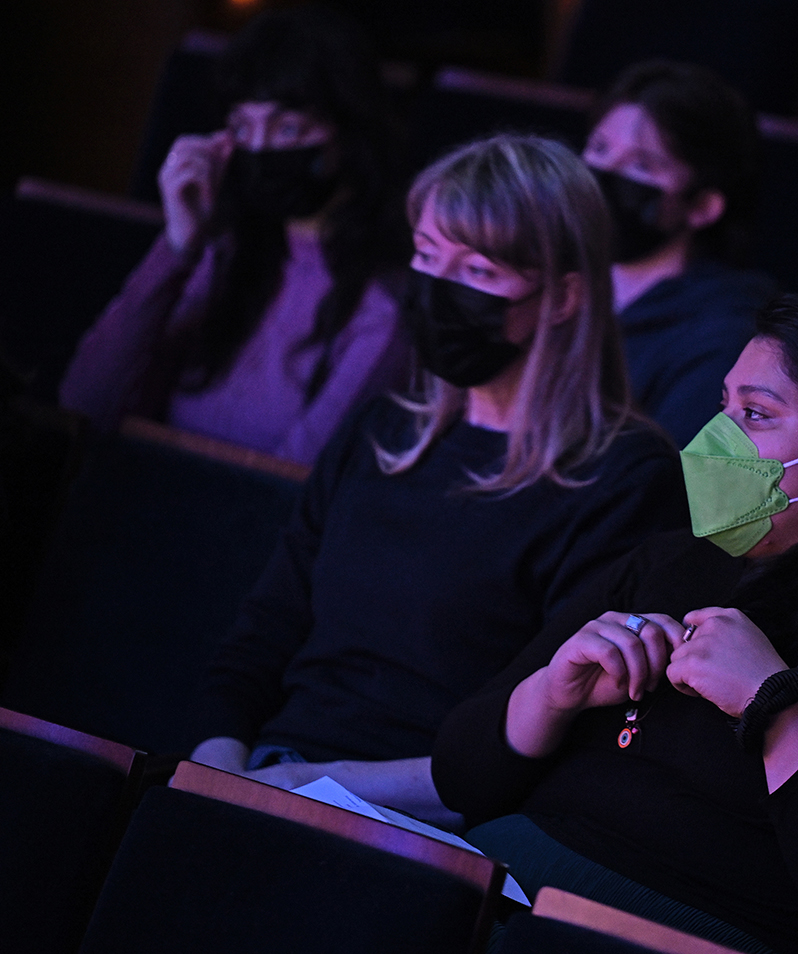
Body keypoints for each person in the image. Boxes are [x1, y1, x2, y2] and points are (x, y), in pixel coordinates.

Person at [432, 295, 798, 954]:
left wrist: (776, 707)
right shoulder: (669, 563)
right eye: (724, 406)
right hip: (507, 883)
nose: (712, 439)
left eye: (755, 414)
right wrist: (553, 692)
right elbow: (461, 777)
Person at [187, 135, 688, 826]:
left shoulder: (622, 478)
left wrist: (319, 784)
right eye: (425, 256)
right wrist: (218, 764)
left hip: (426, 820)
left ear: (564, 296)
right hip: (273, 771)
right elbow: (263, 634)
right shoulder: (381, 430)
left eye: (478, 272)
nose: (435, 290)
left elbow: (546, 738)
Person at [60, 7, 410, 466]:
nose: (261, 148)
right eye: (243, 127)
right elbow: (87, 404)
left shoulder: (383, 303)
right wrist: (176, 249)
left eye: (288, 128)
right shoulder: (226, 256)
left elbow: (289, 487)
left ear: (348, 129)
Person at [583, 60, 778, 447]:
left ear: (703, 205)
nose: (603, 173)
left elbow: (664, 480)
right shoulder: (549, 283)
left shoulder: (720, 337)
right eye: (599, 148)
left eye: (641, 165)